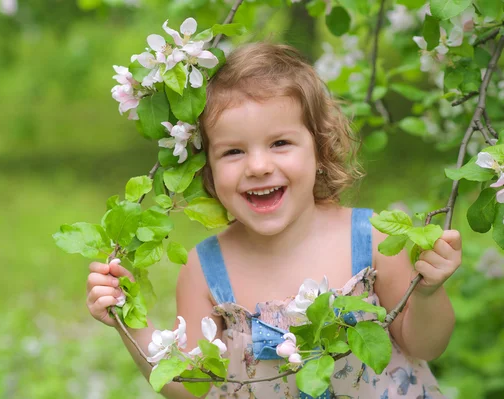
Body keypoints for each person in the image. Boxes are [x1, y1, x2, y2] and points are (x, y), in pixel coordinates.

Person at [86, 42, 462, 398]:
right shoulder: (206, 270)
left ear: (319, 148)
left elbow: (425, 345)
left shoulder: (370, 240)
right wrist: (128, 319)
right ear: (208, 170)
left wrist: (428, 291)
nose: (259, 167)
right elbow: (191, 385)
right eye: (233, 151)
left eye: (280, 143)